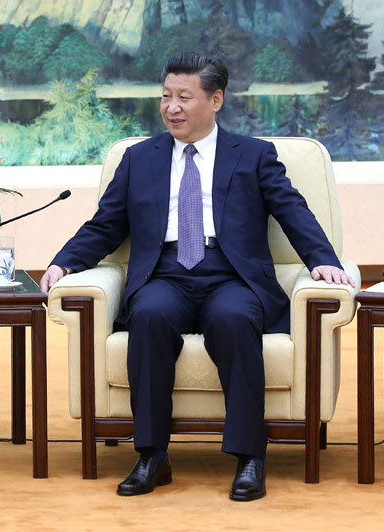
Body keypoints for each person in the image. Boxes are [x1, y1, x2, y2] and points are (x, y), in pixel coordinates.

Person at [40, 53, 353, 501]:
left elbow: (292, 210)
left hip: (231, 276)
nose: (172, 107)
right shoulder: (138, 159)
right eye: (166, 97)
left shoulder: (253, 155)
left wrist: (323, 259)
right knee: (147, 316)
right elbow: (105, 224)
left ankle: (250, 459)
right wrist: (63, 261)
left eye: (185, 97)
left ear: (216, 99)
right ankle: (151, 456)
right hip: (164, 273)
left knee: (233, 320)